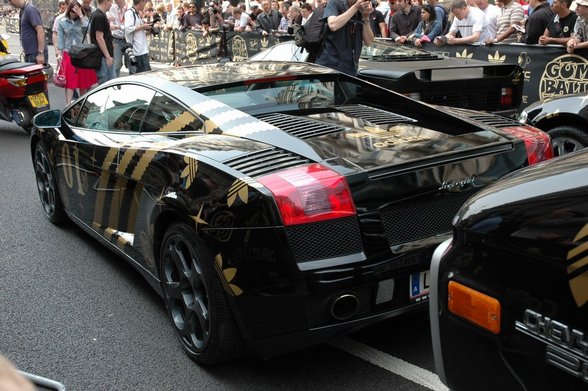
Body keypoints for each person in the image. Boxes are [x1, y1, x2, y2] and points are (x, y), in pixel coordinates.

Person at [316, 0, 375, 76]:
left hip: (350, 67)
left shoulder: (362, 10)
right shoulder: (335, 3)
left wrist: (365, 17)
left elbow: (369, 41)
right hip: (330, 65)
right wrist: (355, 7)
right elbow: (333, 25)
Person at [57, 1, 97, 102]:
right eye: (72, 12)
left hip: (82, 53)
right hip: (69, 52)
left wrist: (81, 15)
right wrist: (59, 54)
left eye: (76, 12)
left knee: (83, 81)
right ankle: (68, 105)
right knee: (70, 81)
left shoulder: (83, 20)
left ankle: (81, 103)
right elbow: (60, 38)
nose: (74, 14)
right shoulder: (62, 21)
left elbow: (89, 30)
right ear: (68, 11)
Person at [8, 0, 47, 64]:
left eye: (10, 1)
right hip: (30, 53)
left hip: (35, 53)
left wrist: (40, 53)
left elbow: (40, 31)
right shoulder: (23, 10)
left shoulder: (30, 10)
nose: (10, 3)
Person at [91, 0, 115, 84]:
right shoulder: (99, 16)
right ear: (105, 2)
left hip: (104, 56)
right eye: (110, 2)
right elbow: (99, 37)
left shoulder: (99, 14)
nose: (111, 5)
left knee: (109, 84)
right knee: (107, 85)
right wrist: (107, 56)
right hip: (103, 57)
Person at [125, 0, 152, 73]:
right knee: (137, 78)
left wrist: (146, 28)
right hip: (136, 52)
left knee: (147, 77)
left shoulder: (136, 14)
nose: (145, 5)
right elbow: (128, 29)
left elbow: (139, 32)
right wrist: (143, 26)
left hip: (142, 50)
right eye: (145, 2)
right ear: (141, 2)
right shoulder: (129, 13)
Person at [108, 0, 128, 77]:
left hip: (128, 40)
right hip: (116, 39)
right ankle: (115, 86)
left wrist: (117, 26)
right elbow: (110, 23)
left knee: (131, 64)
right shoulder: (112, 8)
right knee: (116, 64)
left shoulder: (129, 9)